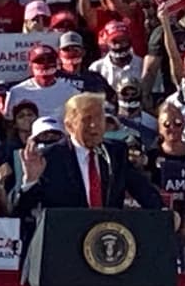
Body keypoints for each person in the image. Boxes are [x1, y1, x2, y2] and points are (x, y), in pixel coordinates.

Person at [14, 92, 161, 214]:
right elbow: (20, 211)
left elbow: (142, 190)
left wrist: (164, 212)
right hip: (65, 240)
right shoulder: (48, 158)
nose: (94, 125)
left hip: (107, 238)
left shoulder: (116, 152)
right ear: (69, 125)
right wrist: (30, 181)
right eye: (87, 119)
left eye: (99, 118)